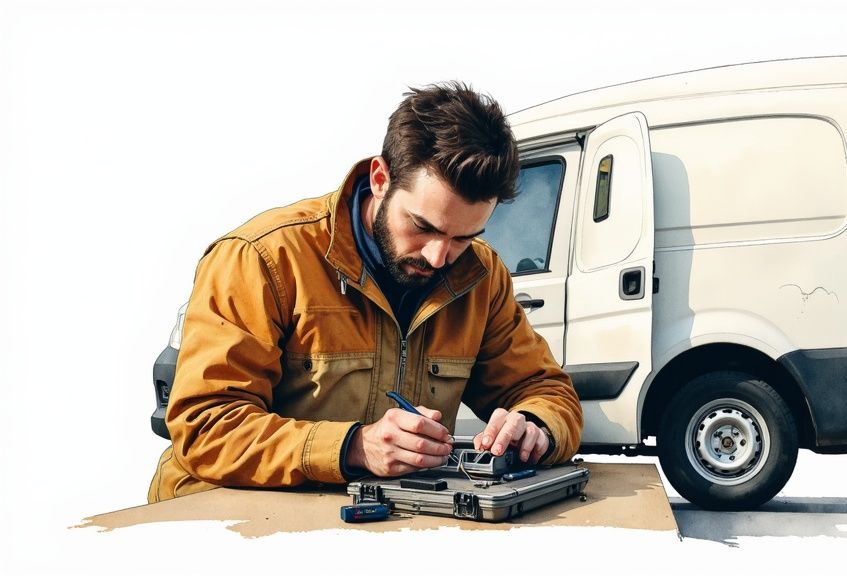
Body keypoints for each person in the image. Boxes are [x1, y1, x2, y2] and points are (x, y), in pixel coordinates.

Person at [148, 82, 583, 502]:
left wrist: (535, 426)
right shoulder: (262, 259)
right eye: (423, 226)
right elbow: (205, 426)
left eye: (463, 238)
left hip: (376, 519)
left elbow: (547, 390)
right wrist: (354, 447)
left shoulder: (481, 277)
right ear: (380, 178)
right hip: (222, 515)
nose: (438, 257)